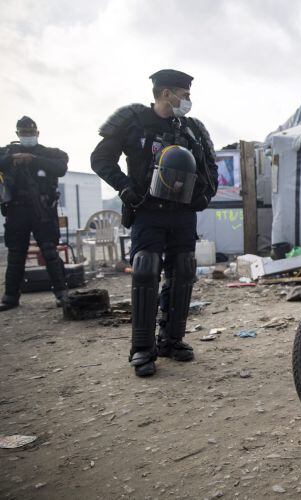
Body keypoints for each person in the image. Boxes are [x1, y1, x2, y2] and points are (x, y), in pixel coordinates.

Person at [91, 69, 218, 377]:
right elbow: (100, 158)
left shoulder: (192, 130)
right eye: (184, 95)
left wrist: (205, 196)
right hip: (147, 210)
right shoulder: (134, 121)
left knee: (184, 270)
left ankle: (172, 340)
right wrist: (124, 187)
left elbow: (210, 169)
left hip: (182, 213)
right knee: (146, 269)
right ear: (166, 93)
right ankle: (143, 348)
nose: (187, 101)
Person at [0, 117, 69, 311]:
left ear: (37, 134)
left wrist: (35, 160)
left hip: (43, 209)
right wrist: (11, 159)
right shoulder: (8, 152)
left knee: (49, 251)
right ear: (17, 135)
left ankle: (62, 293)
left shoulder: (49, 153)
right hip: (16, 209)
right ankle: (10, 297)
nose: (27, 137)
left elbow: (61, 167)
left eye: (30, 133)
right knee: (16, 254)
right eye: (23, 134)